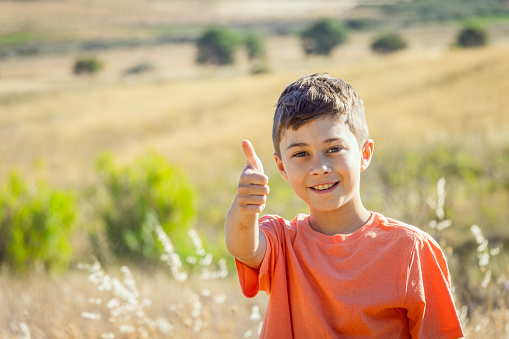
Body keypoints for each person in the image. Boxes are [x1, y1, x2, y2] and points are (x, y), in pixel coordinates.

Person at [225, 73, 464, 338]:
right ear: (281, 166)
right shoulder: (281, 241)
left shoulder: (411, 249)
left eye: (334, 149)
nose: (320, 168)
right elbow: (243, 247)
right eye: (300, 154)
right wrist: (245, 208)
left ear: (364, 154)